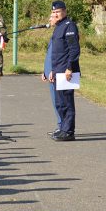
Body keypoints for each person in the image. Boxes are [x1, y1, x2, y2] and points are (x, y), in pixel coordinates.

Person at [48, 0, 79, 141]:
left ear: (65, 11)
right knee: (60, 103)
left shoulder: (69, 26)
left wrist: (69, 68)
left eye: (58, 11)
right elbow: (57, 53)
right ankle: (63, 128)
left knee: (67, 102)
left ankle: (69, 131)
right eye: (54, 12)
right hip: (58, 70)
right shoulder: (58, 27)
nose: (56, 14)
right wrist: (52, 71)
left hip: (67, 71)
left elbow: (74, 50)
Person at [40, 7, 62, 135]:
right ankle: (60, 124)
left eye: (51, 16)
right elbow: (49, 54)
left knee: (60, 101)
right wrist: (44, 71)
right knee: (55, 101)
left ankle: (62, 125)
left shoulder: (61, 31)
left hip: (57, 73)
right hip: (50, 74)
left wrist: (53, 70)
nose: (49, 19)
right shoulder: (55, 32)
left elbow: (58, 55)